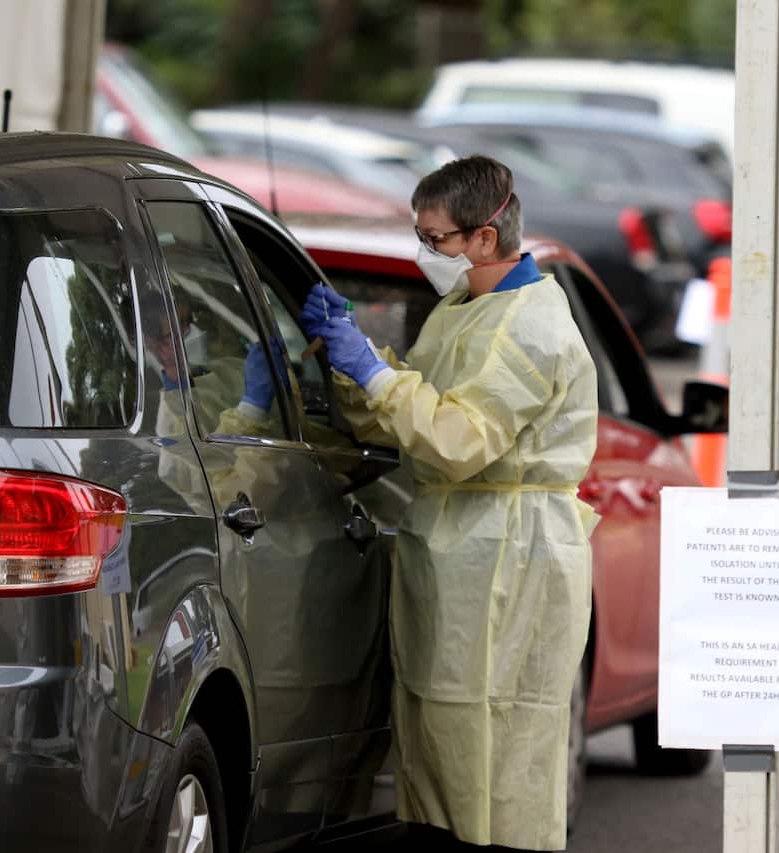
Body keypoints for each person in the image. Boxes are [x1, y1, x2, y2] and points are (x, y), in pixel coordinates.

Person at [300, 155, 600, 852]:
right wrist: (352, 371)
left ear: (484, 238)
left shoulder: (529, 325)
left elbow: (458, 437)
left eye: (433, 238)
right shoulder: (464, 310)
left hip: (510, 557)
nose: (424, 251)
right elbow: (408, 411)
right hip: (460, 551)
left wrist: (373, 371)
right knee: (443, 739)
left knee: (497, 755)